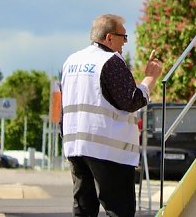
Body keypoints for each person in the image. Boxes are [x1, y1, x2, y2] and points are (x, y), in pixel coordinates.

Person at [61, 14, 163, 217]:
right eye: (123, 37)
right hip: (108, 150)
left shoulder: (71, 61)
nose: (125, 43)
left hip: (76, 146)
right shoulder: (110, 61)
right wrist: (150, 78)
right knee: (119, 209)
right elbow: (131, 100)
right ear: (109, 37)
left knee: (83, 208)